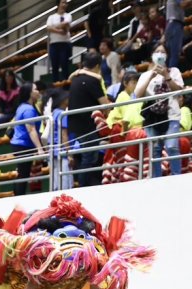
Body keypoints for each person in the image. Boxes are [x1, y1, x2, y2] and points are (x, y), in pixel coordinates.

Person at [135, 44, 184, 178]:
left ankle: (176, 176)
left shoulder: (174, 71)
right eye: (157, 51)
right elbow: (138, 95)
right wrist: (151, 75)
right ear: (152, 55)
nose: (160, 54)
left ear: (167, 56)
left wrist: (166, 76)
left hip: (171, 115)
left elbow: (179, 91)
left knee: (171, 146)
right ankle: (156, 179)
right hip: (152, 118)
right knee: (155, 150)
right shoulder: (145, 75)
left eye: (163, 52)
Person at [67, 51, 109, 187]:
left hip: (77, 125)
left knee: (90, 156)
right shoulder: (92, 80)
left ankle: (86, 184)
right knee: (89, 157)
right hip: (87, 125)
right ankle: (83, 187)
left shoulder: (76, 78)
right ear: (97, 66)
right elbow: (104, 102)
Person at [9, 83, 44, 197]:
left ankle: (19, 195)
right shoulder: (28, 109)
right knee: (23, 174)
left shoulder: (24, 106)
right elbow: (31, 130)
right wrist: (40, 149)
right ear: (29, 93)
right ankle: (19, 197)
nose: (38, 91)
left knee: (22, 173)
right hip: (23, 144)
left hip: (21, 143)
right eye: (35, 89)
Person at [46, 1, 74, 83]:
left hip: (65, 43)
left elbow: (66, 25)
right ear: (58, 5)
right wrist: (59, 30)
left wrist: (54, 27)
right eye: (63, 2)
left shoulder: (68, 15)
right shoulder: (51, 17)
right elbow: (48, 28)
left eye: (66, 3)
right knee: (55, 66)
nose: (64, 4)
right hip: (54, 44)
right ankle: (56, 84)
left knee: (64, 64)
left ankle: (66, 85)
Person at [164, 0, 188, 68]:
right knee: (174, 53)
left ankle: (167, 73)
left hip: (171, 24)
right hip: (175, 24)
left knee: (170, 54)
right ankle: (171, 75)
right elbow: (183, 4)